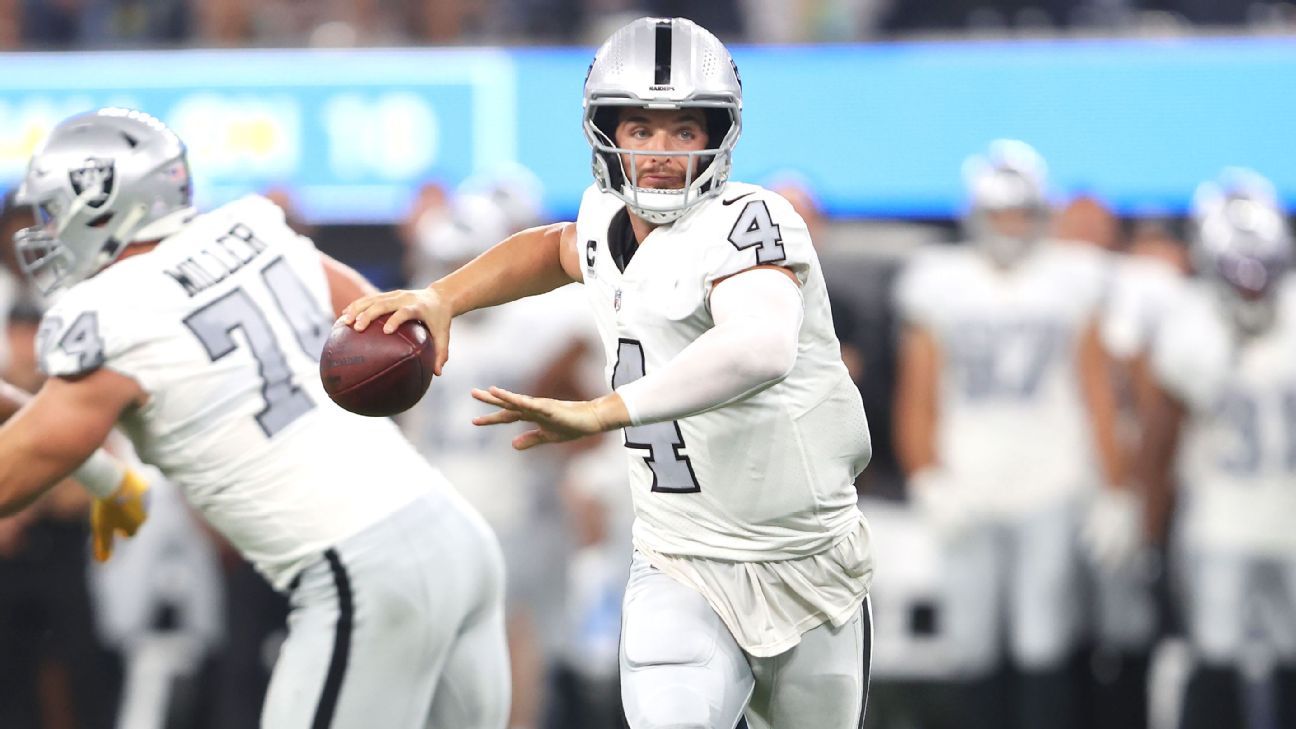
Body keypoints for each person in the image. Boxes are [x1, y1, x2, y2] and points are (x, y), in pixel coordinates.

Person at [343, 16, 874, 729]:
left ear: (719, 135)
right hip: (680, 560)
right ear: (607, 134)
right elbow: (552, 249)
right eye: (641, 129)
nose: (661, 152)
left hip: (808, 561)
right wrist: (443, 297)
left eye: (684, 130)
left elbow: (759, 347)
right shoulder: (603, 219)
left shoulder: (751, 218)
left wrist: (602, 411)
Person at [0, 107, 509, 729]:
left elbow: (16, 469)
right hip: (454, 534)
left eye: (55, 210)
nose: (47, 229)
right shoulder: (252, 227)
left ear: (105, 209)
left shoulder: (108, 314)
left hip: (360, 574)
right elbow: (373, 315)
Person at [891, 140, 1137, 729]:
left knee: (1044, 637)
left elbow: (1097, 390)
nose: (1009, 226)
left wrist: (1115, 488)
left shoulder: (1073, 278)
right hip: (969, 479)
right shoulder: (940, 281)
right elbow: (919, 392)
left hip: (1051, 480)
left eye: (1020, 213)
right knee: (971, 640)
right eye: (999, 213)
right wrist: (926, 475)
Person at [1140, 170, 1296, 729]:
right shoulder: (1188, 321)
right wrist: (1150, 526)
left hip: (1288, 519)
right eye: (1238, 269)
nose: (1252, 282)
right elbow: (1162, 436)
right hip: (1218, 522)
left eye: (1262, 267)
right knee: (1214, 657)